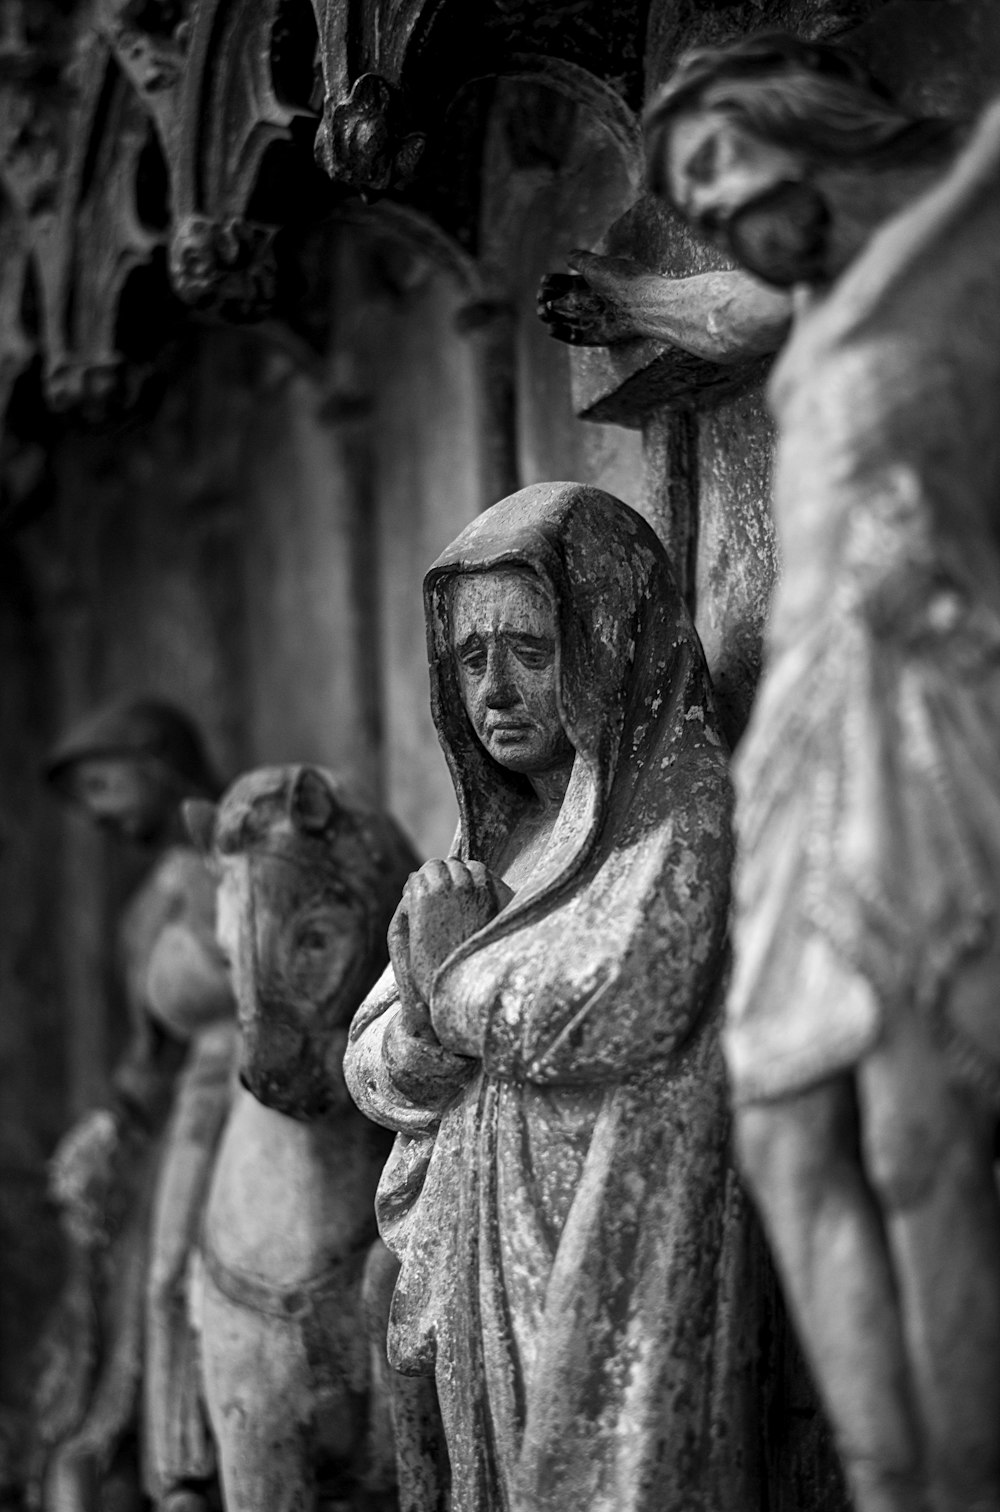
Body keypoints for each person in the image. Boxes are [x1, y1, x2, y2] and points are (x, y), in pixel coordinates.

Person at [645, 32, 1000, 1512]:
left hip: (920, 712)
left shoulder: (946, 258)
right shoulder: (814, 311)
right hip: (800, 744)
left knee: (917, 1137)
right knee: (783, 1131)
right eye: (689, 190)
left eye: (720, 156)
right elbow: (726, 309)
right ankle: (888, 1477)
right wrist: (630, 298)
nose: (715, 201)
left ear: (804, 130)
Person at [345, 482, 777, 1512]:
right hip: (483, 1257)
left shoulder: (679, 820)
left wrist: (446, 984)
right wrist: (426, 1023)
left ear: (610, 644)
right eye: (470, 659)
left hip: (606, 1256)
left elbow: (615, 997)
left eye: (530, 653)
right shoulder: (486, 852)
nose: (494, 691)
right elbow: (368, 1059)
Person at [31, 698, 237, 1512]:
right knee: (146, 1290)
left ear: (159, 766)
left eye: (106, 786)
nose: (100, 814)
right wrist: (112, 1121)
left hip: (256, 1097)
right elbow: (151, 1054)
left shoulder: (240, 849)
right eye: (87, 799)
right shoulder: (148, 899)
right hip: (186, 1117)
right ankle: (169, 1460)